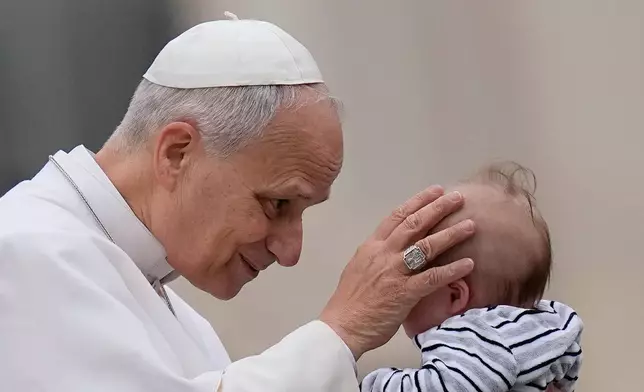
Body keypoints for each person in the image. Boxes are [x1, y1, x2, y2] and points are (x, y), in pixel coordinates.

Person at [0, 13, 478, 392]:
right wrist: (344, 329)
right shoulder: (24, 253)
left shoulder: (174, 311)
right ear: (177, 152)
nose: (290, 252)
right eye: (277, 204)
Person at [360, 163, 583, 392]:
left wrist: (369, 385)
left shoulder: (474, 337)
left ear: (455, 295)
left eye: (412, 275)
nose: (402, 286)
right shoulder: (547, 329)